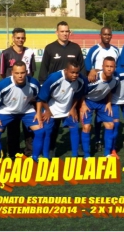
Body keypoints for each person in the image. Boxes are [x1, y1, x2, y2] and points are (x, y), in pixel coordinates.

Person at [38, 21, 86, 157]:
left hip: (72, 91)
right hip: (55, 93)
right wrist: (44, 89)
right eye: (62, 31)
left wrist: (80, 92)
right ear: (57, 32)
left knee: (75, 120)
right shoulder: (50, 48)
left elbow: (82, 69)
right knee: (52, 123)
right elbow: (44, 70)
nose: (65, 33)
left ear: (69, 32)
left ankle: (78, 148)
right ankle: (51, 148)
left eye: (67, 31)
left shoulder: (75, 48)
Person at [0, 61, 44, 158]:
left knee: (40, 131)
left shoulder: (33, 83)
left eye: (22, 73)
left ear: (27, 72)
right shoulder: (2, 85)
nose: (20, 76)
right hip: (6, 111)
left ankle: (35, 158)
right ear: (12, 73)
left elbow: (39, 98)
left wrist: (38, 113)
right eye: (17, 73)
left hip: (26, 111)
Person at [33, 60, 86, 161]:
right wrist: (47, 111)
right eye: (72, 72)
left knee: (74, 128)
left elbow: (77, 95)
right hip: (52, 109)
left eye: (77, 72)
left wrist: (72, 108)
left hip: (68, 109)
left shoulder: (80, 80)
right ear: (66, 71)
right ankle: (45, 156)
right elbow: (42, 97)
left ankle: (75, 155)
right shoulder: (54, 78)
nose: (75, 75)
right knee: (47, 132)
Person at [0, 27, 36, 158]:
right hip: (12, 95)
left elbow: (32, 71)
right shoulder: (6, 53)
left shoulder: (30, 52)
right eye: (18, 37)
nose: (20, 40)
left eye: (23, 37)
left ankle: (29, 153)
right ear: (13, 38)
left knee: (29, 127)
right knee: (13, 127)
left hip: (27, 94)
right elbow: (2, 73)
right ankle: (13, 153)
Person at [85, 27, 120, 151]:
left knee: (105, 118)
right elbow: (89, 68)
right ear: (100, 35)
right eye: (104, 34)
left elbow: (118, 67)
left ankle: (108, 145)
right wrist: (93, 71)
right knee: (95, 119)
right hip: (95, 87)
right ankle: (97, 140)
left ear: (111, 35)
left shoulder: (115, 50)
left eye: (109, 34)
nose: (107, 36)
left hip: (108, 88)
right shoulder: (94, 50)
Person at [80, 57, 119, 159]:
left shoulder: (115, 80)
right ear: (102, 67)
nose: (109, 69)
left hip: (102, 102)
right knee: (86, 127)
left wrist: (109, 102)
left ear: (115, 68)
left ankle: (107, 154)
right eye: (107, 66)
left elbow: (110, 90)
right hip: (87, 101)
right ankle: (87, 155)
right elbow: (80, 91)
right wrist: (83, 104)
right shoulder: (93, 77)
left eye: (111, 66)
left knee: (110, 125)